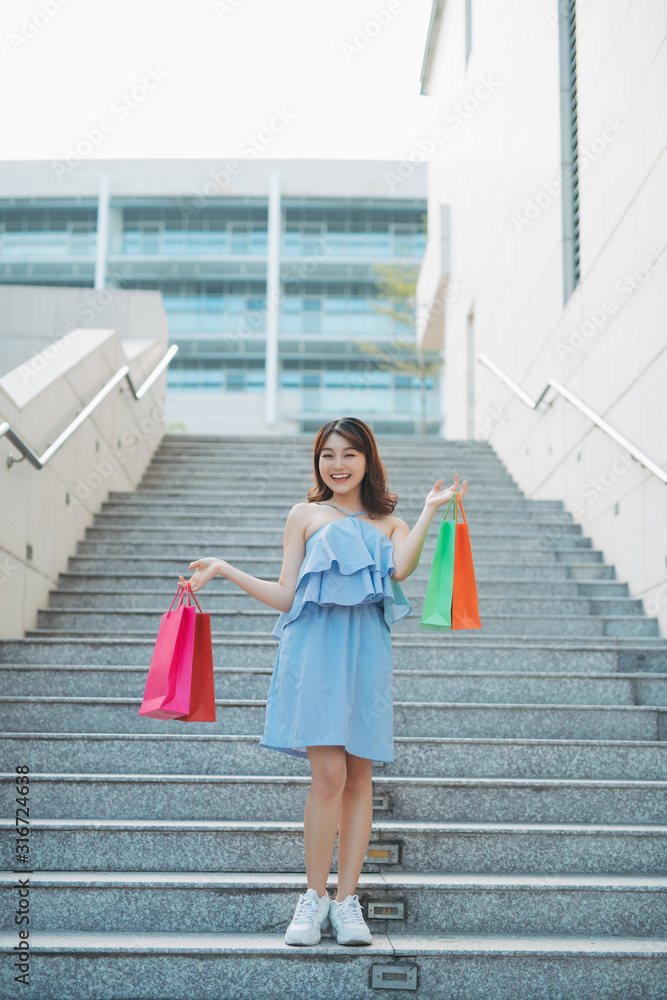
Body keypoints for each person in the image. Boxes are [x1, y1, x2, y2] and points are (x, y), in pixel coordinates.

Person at [178, 416, 467, 948]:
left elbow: (401, 571)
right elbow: (289, 594)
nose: (337, 465)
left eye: (349, 454)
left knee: (360, 777)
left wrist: (428, 510)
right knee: (329, 775)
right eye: (328, 454)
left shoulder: (389, 524)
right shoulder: (304, 515)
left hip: (367, 655)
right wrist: (224, 569)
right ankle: (311, 899)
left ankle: (346, 902)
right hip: (313, 652)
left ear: (367, 460)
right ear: (318, 460)